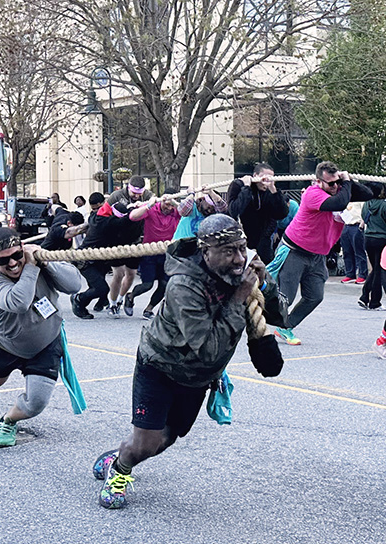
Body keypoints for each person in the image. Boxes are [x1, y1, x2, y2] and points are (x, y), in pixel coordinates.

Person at [93, 214, 286, 509]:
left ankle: (122, 453)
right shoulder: (184, 285)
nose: (238, 259)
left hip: (197, 377)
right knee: (146, 443)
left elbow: (278, 317)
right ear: (206, 252)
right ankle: (119, 469)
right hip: (160, 366)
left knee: (165, 440)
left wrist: (266, 286)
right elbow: (206, 347)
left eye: (241, 249)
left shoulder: (241, 271)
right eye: (228, 251)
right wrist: (239, 296)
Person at [0, 222, 83, 447]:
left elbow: (74, 285)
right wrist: (32, 268)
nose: (13, 263)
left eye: (17, 255)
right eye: (4, 260)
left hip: (46, 342)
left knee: (36, 402)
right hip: (8, 345)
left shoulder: (37, 260)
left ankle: (8, 420)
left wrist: (45, 262)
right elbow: (20, 302)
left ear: (23, 248)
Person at [268, 162, 373, 345]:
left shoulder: (339, 189)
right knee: (286, 298)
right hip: (294, 251)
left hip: (317, 256)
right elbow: (338, 203)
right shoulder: (313, 194)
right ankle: (251, 312)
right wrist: (345, 185)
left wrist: (347, 180)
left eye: (337, 182)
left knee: (315, 296)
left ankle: (285, 327)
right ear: (318, 181)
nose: (335, 187)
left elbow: (368, 194)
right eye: (330, 183)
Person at [69, 200, 140, 320]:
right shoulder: (105, 222)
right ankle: (78, 300)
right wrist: (147, 206)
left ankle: (96, 301)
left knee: (99, 288)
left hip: (99, 258)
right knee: (101, 289)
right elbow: (125, 221)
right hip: (85, 259)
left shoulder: (98, 217)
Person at [124, 189, 181, 319]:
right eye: (167, 204)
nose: (169, 207)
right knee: (147, 285)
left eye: (172, 205)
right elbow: (133, 216)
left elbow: (189, 212)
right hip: (149, 252)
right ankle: (131, 296)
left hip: (167, 252)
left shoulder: (177, 211)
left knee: (164, 285)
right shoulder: (152, 208)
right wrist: (148, 205)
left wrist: (175, 203)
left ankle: (149, 309)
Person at [106, 177, 153, 314]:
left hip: (135, 239)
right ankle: (112, 303)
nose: (136, 196)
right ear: (128, 187)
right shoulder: (117, 196)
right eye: (134, 193)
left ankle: (121, 298)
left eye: (139, 193)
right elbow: (105, 214)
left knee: (131, 274)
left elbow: (154, 204)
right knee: (118, 274)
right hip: (117, 239)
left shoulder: (148, 196)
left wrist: (144, 204)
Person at [226, 163, 289, 264]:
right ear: (255, 176)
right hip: (242, 236)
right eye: (264, 177)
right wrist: (246, 188)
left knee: (266, 269)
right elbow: (234, 211)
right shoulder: (238, 185)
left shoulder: (270, 191)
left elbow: (281, 214)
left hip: (264, 238)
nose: (266, 182)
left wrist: (273, 190)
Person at [360, 183, 386, 311]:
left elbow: (363, 218)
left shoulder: (366, 204)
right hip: (382, 239)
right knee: (378, 270)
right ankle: (375, 301)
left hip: (368, 238)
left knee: (375, 269)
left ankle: (365, 296)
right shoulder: (384, 205)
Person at [339, 201, 368, 284]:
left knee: (359, 251)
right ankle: (350, 274)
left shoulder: (361, 200)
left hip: (356, 225)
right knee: (346, 251)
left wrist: (362, 224)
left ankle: (362, 274)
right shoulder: (346, 199)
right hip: (346, 225)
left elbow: (365, 211)